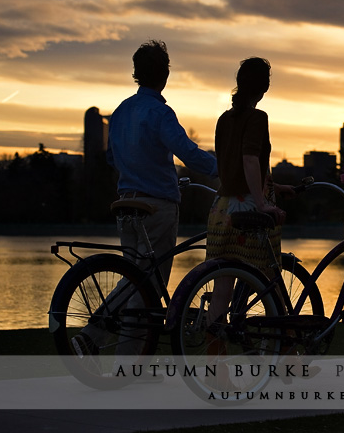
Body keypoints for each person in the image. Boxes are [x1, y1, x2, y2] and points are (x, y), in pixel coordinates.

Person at [71, 40, 218, 369]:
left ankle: (124, 358)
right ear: (164, 74)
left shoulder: (122, 111)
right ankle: (105, 343)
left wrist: (136, 172)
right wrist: (221, 169)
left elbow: (111, 157)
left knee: (136, 277)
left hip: (126, 204)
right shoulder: (160, 112)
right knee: (146, 283)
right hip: (157, 205)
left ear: (137, 74)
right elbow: (186, 151)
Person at [204, 57, 295, 388]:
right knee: (272, 284)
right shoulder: (258, 117)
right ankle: (287, 361)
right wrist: (261, 202)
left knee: (222, 291)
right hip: (247, 211)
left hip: (222, 209)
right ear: (265, 85)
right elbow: (248, 159)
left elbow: (236, 164)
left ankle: (216, 371)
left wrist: (272, 186)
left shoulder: (224, 119)